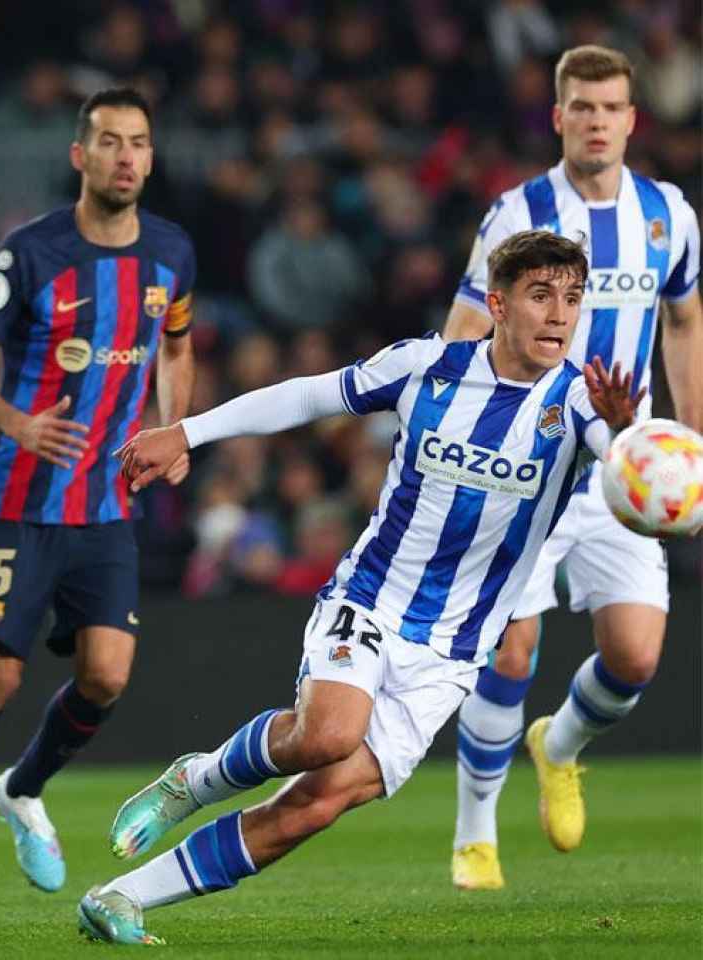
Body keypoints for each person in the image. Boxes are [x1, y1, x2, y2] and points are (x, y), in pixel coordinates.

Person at [77, 231, 642, 945]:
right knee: (328, 735)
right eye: (540, 296)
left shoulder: (585, 406)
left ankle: (119, 898)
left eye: (570, 298)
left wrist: (629, 437)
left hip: (454, 651)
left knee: (316, 805)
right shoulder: (427, 366)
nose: (558, 315)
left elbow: (638, 484)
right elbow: (308, 396)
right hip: (371, 601)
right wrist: (188, 431)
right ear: (497, 304)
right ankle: (198, 779)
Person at [0, 87, 197, 907]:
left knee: (107, 675)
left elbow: (176, 345)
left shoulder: (172, 253)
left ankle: (23, 787)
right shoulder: (29, 252)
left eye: (139, 142)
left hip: (104, 507)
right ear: (81, 156)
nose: (126, 157)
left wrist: (174, 429)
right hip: (17, 502)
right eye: (109, 142)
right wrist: (19, 424)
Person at [442, 45, 701, 891]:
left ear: (633, 118)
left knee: (633, 659)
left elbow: (686, 323)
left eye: (611, 108)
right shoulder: (519, 212)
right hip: (528, 467)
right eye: (581, 108)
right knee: (511, 646)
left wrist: (690, 440)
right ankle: (475, 835)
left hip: (623, 465)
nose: (597, 122)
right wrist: (454, 436)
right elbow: (464, 325)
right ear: (558, 118)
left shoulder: (668, 215)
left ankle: (557, 748)